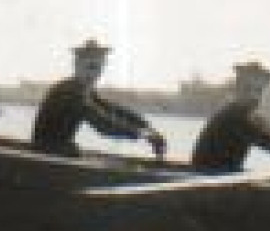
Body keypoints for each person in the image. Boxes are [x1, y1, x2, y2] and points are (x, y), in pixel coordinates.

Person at [30, 39, 168, 158]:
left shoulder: (83, 90)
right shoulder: (70, 92)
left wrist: (147, 127)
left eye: (99, 68)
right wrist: (142, 134)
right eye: (91, 67)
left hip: (56, 153)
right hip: (47, 155)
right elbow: (102, 124)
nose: (95, 74)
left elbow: (112, 110)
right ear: (77, 65)